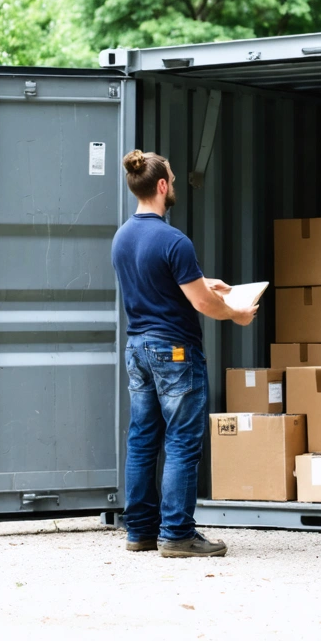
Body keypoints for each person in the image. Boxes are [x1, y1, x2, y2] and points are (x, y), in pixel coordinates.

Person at [112, 149, 258, 558]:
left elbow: (154, 281)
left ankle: (140, 532)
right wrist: (238, 314)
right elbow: (204, 306)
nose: (173, 185)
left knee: (143, 439)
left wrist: (201, 280)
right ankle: (177, 534)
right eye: (172, 180)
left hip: (137, 348)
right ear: (161, 186)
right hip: (173, 350)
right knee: (181, 441)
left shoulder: (123, 236)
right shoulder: (174, 240)